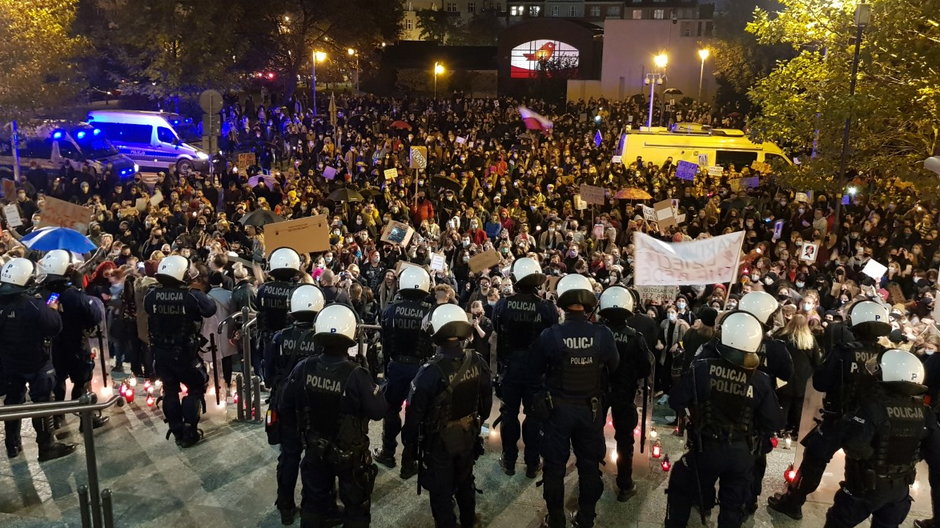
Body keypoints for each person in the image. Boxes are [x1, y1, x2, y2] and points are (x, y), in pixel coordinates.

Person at [769, 300, 891, 519]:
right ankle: (850, 510)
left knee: (813, 462)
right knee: (859, 467)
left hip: (837, 421)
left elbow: (821, 382)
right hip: (869, 425)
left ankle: (793, 503)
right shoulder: (886, 356)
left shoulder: (843, 351)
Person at [665, 311, 784, 528]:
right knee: (733, 507)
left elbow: (676, 400)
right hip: (742, 453)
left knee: (682, 484)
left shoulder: (702, 368)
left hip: (705, 448)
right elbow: (774, 422)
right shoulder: (761, 380)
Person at [278, 304, 387, 528]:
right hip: (350, 451)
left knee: (314, 503)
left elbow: (285, 404)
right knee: (355, 507)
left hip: (314, 445)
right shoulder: (357, 374)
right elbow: (378, 411)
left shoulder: (303, 367)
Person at [531, 274, 618, 528]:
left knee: (555, 467)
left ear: (562, 302)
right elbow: (614, 366)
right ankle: (586, 517)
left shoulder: (550, 334)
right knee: (590, 466)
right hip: (590, 410)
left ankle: (556, 519)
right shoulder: (602, 334)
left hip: (557, 410)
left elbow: (534, 369)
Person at [824, 349, 940, 528]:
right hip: (900, 490)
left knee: (837, 522)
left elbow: (855, 445)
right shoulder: (925, 411)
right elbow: (935, 454)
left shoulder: (873, 407)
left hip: (864, 487)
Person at [402, 304, 492, 528]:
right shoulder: (477, 361)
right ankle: (469, 521)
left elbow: (414, 417)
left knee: (441, 491)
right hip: (468, 434)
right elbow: (487, 405)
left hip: (439, 443)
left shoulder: (429, 372)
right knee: (465, 481)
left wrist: (409, 444)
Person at [0, 258, 76, 461]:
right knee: (42, 403)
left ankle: (12, 444)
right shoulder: (33, 304)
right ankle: (46, 446)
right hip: (37, 362)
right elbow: (54, 326)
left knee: (12, 401)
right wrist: (52, 304)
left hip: (8, 362)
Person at [492, 257, 558, 477]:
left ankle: (509, 460)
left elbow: (496, 327)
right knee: (534, 416)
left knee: (509, 415)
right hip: (537, 372)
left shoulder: (503, 304)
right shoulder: (546, 307)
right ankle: (532, 463)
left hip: (510, 369)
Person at [144, 255, 217, 447]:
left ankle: (176, 430)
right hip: (185, 353)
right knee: (196, 386)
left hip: (160, 353)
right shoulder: (192, 296)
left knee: (170, 391)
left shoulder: (151, 295)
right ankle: (190, 430)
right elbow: (210, 309)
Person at [267, 285, 326, 524]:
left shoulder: (279, 337)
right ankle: (315, 506)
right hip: (315, 404)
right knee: (316, 456)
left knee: (289, 455)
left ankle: (286, 505)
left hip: (285, 402)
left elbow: (268, 373)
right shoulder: (323, 338)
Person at [36, 250, 109, 430]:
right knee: (83, 382)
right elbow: (94, 316)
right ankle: (87, 418)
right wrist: (80, 291)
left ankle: (58, 417)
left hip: (53, 348)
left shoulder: (43, 294)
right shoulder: (73, 295)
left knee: (57, 382)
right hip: (76, 345)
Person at [374, 266, 433, 476]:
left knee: (391, 409)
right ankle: (410, 462)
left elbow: (386, 341)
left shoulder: (390, 309)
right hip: (421, 368)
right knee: (416, 414)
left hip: (397, 365)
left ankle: (388, 452)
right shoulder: (430, 311)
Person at [597, 285, 653, 501]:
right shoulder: (635, 338)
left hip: (599, 391)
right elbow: (645, 369)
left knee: (593, 434)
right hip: (624, 394)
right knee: (624, 440)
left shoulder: (598, 332)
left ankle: (592, 475)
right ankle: (625, 484)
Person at [257, 247, 303, 382]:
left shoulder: (263, 289)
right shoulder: (296, 291)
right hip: (291, 339)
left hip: (268, 337)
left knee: (271, 372)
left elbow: (259, 307)